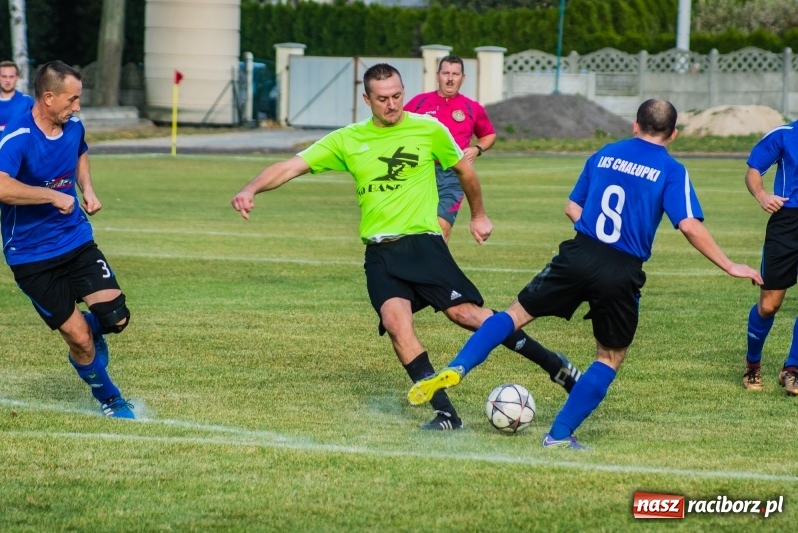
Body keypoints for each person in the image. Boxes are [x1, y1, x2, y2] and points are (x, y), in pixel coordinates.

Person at [231, 63, 581, 431]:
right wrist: (250, 188)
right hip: (379, 254)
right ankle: (446, 414)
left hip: (423, 245)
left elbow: (465, 171)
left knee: (466, 316)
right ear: (367, 99)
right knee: (396, 324)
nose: (392, 104)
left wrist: (478, 215)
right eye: (382, 98)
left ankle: (554, 365)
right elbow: (289, 166)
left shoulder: (429, 129)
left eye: (397, 95)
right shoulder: (347, 139)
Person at [407, 99, 763, 447]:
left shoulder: (604, 153)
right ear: (673, 135)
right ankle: (558, 435)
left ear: (635, 126)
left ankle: (458, 367)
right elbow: (687, 224)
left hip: (579, 251)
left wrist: (592, 233)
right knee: (609, 356)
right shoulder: (672, 170)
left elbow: (572, 207)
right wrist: (730, 264)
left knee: (513, 315)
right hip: (621, 267)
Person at [0, 60, 134, 419]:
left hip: (74, 239)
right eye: (72, 100)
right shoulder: (18, 136)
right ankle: (111, 400)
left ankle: (91, 329)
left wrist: (85, 188)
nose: (77, 107)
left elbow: (80, 151)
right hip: (30, 256)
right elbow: (0, 185)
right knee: (79, 340)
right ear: (48, 98)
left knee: (116, 318)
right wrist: (53, 196)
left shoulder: (72, 127)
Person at [404, 55, 496, 242]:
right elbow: (398, 130)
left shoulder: (472, 108)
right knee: (414, 229)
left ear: (463, 78)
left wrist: (477, 149)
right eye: (446, 73)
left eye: (455, 74)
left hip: (453, 174)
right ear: (437, 75)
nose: (450, 78)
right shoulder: (419, 103)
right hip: (421, 172)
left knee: (441, 228)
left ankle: (433, 269)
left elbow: (489, 135)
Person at [741, 121, 798, 395]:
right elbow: (753, 170)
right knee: (769, 305)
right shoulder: (784, 135)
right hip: (787, 222)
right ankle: (752, 364)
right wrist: (762, 195)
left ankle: (792, 369)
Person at [0, 60, 34, 133]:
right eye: (4, 77)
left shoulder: (27, 102)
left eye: (11, 77)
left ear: (16, 78)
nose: (7, 80)